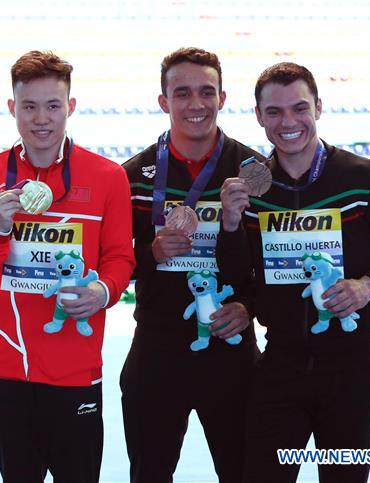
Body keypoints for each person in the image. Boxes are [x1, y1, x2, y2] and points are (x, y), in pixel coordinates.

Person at [218, 62, 370, 483]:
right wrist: (231, 225)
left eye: (299, 108)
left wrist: (368, 285)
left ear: (318, 108)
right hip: (280, 364)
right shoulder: (254, 187)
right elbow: (243, 275)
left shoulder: (360, 176)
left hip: (351, 367)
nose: (288, 122)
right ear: (259, 117)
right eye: (274, 112)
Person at [0, 50, 134, 483]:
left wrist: (103, 292)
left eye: (53, 105)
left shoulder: (107, 176)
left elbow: (119, 258)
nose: (41, 119)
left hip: (76, 373)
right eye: (29, 106)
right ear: (12, 108)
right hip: (7, 371)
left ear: (70, 107)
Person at [119, 47, 259, 482]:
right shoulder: (132, 175)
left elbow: (274, 265)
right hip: (157, 352)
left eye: (206, 92)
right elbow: (112, 265)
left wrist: (249, 306)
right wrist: (151, 254)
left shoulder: (255, 172)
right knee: (149, 472)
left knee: (243, 473)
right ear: (164, 101)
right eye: (182, 93)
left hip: (232, 353)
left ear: (222, 97)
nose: (195, 104)